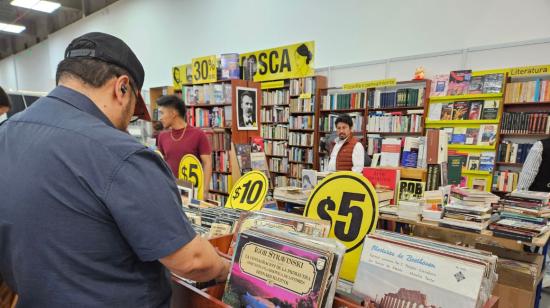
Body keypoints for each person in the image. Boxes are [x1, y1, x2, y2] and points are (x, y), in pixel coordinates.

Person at [0, 32, 229, 307]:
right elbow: (191, 260)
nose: (126, 123)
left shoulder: (6, 133)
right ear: (122, 88)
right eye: (133, 110)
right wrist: (228, 270)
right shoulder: (119, 152)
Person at [156, 95, 212, 199]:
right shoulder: (162, 136)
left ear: (173, 113)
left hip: (192, 194)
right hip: (169, 192)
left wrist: (204, 191)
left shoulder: (198, 134)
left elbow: (207, 163)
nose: (160, 118)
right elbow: (161, 163)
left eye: (162, 113)